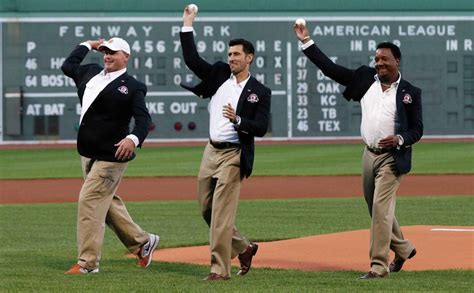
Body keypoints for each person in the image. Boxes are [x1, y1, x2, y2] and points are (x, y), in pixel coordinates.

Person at [293, 24, 423, 279]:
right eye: (376, 59)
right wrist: (307, 41)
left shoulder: (410, 92)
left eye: (385, 59)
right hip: (369, 154)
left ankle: (378, 266)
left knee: (381, 209)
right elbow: (331, 69)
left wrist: (398, 139)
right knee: (375, 209)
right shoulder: (365, 79)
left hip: (392, 158)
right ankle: (404, 249)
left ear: (397, 61)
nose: (379, 63)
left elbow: (417, 129)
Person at [180, 5, 271, 281]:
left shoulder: (259, 92)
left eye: (236, 54)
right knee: (206, 208)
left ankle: (219, 270)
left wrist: (239, 120)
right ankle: (243, 247)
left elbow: (261, 127)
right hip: (211, 150)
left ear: (249, 58)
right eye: (229, 54)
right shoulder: (220, 76)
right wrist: (187, 24)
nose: (231, 58)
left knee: (221, 214)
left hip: (235, 153)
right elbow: (192, 60)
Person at [61, 37, 159, 274]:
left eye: (113, 52)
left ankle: (87, 264)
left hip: (113, 155)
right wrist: (88, 44)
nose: (107, 55)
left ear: (126, 56)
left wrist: (132, 139)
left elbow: (144, 119)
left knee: (90, 201)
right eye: (105, 51)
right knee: (105, 203)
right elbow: (67, 66)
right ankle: (143, 242)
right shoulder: (91, 73)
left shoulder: (133, 86)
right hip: (87, 152)